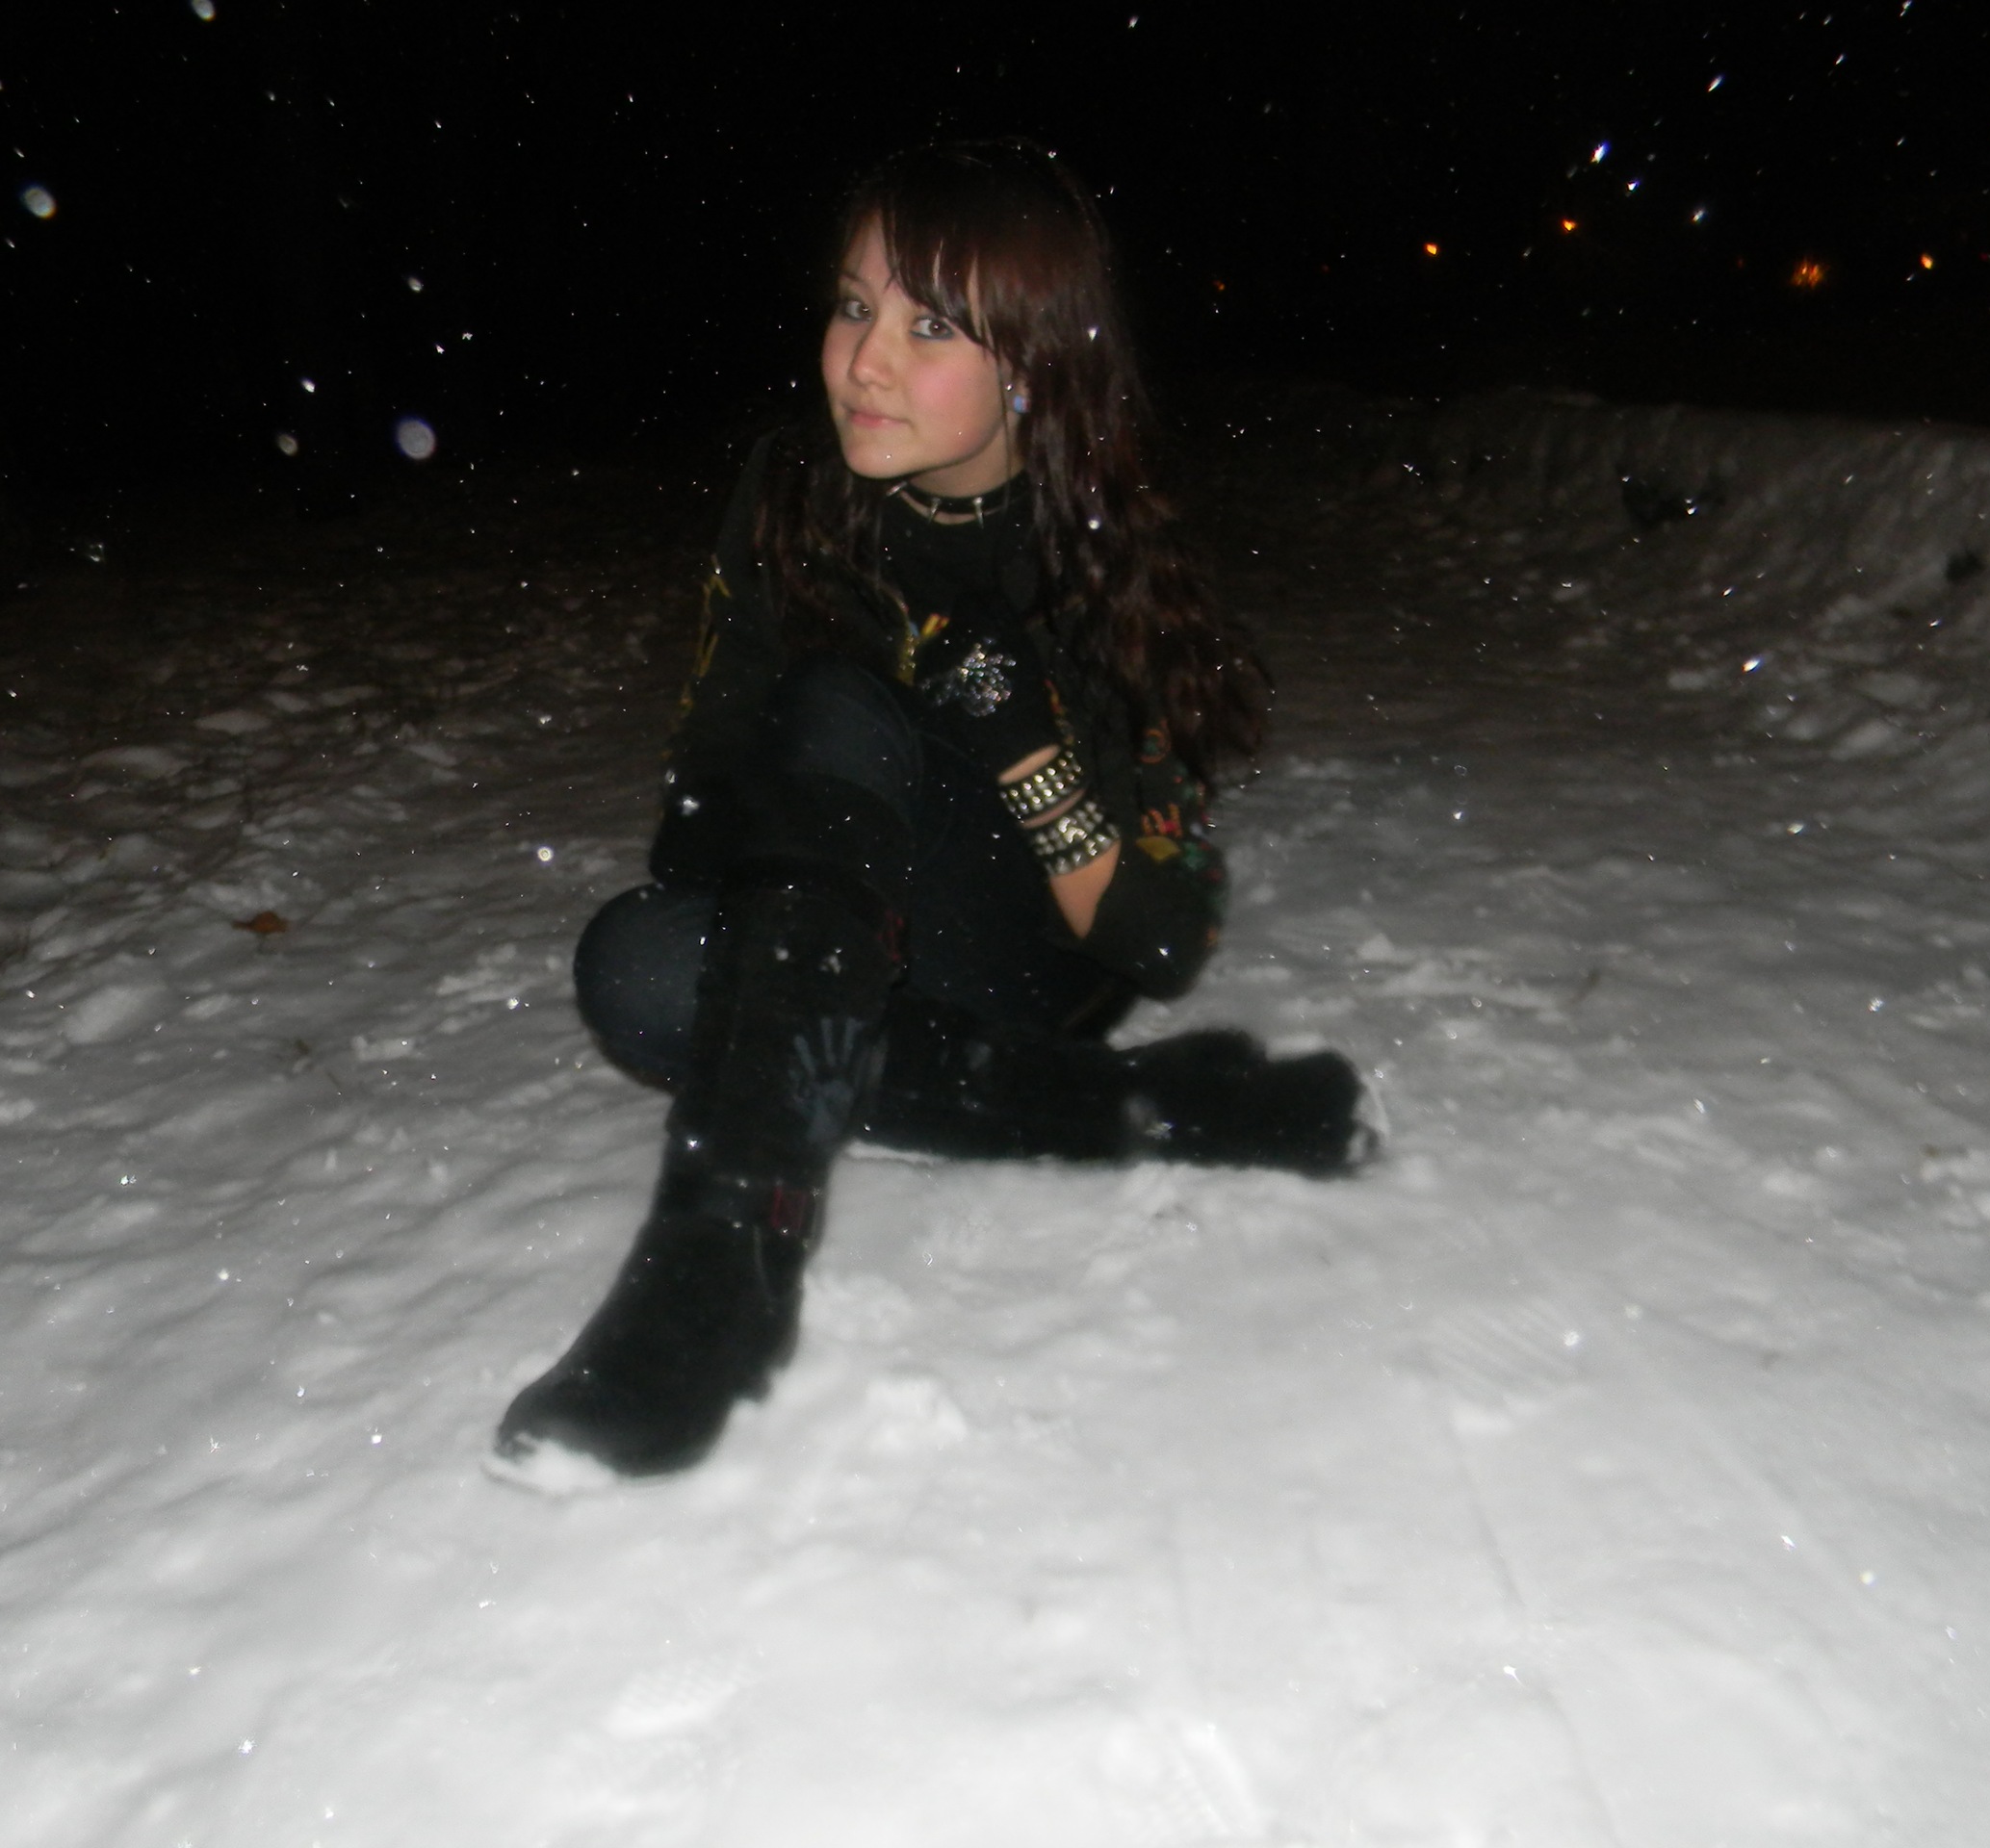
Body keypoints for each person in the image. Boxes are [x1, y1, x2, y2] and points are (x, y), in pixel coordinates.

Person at [495, 139, 1376, 1481]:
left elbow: (1157, 939)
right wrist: (809, 860)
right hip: (840, 930)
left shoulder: (1106, 557)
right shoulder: (793, 499)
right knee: (637, 965)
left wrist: (1022, 743)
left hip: (1025, 956)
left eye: (929, 327)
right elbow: (700, 796)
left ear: (1032, 362)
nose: (865, 362)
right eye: (854, 307)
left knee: (838, 708)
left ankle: (713, 1282)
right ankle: (1141, 1109)